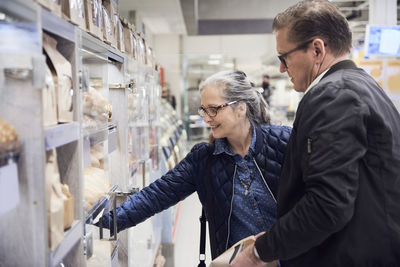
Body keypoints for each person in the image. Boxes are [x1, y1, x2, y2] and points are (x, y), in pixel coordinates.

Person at [232, 1, 400, 267]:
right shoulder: (365, 86)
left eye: (283, 57)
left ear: (317, 49)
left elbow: (327, 204)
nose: (281, 69)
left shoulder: (333, 96)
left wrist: (260, 252)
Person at [97, 70, 291, 259]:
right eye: (203, 110)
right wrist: (101, 221)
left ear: (241, 108)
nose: (206, 118)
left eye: (214, 109)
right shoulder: (203, 159)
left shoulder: (284, 142)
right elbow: (155, 196)